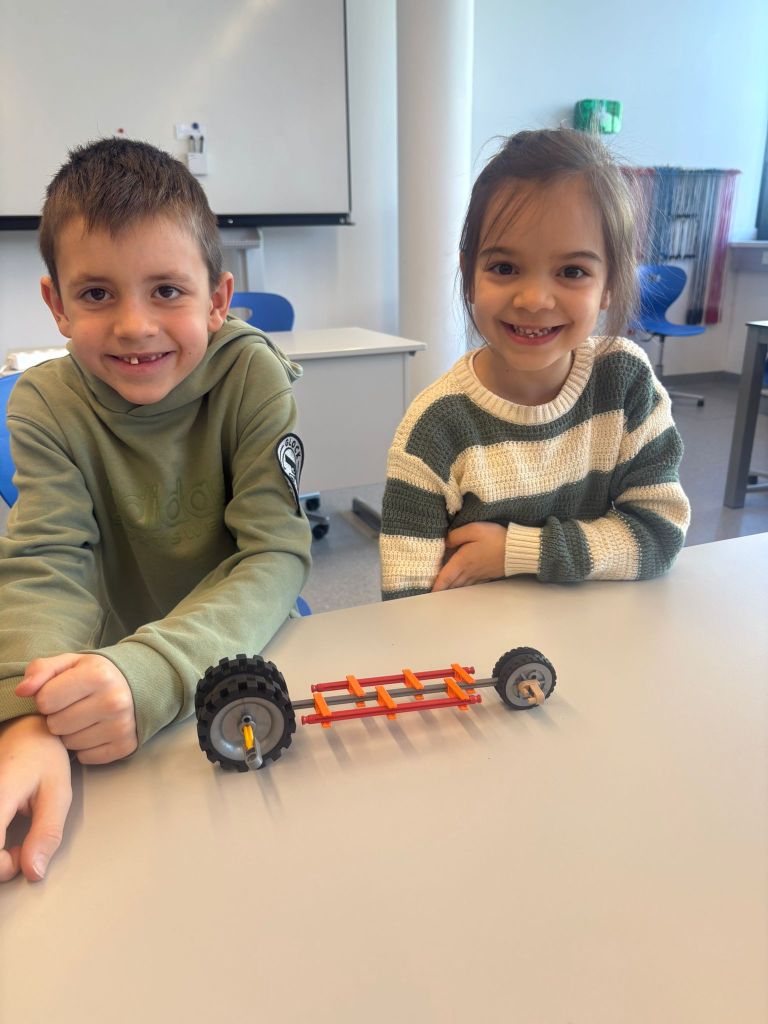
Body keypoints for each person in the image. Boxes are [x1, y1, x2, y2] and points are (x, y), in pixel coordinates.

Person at [0, 138, 312, 882]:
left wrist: (157, 669)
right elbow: (46, 565)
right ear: (56, 304)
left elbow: (274, 554)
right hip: (107, 687)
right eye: (96, 294)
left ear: (218, 299)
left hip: (243, 652)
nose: (135, 325)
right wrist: (28, 720)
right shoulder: (44, 404)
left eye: (167, 290)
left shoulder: (252, 376)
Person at [381, 128, 690, 599]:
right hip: (475, 645)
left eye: (572, 272)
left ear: (610, 283)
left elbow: (659, 532)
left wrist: (518, 551)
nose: (533, 299)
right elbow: (406, 601)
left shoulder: (624, 382)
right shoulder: (435, 429)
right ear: (469, 275)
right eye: (504, 268)